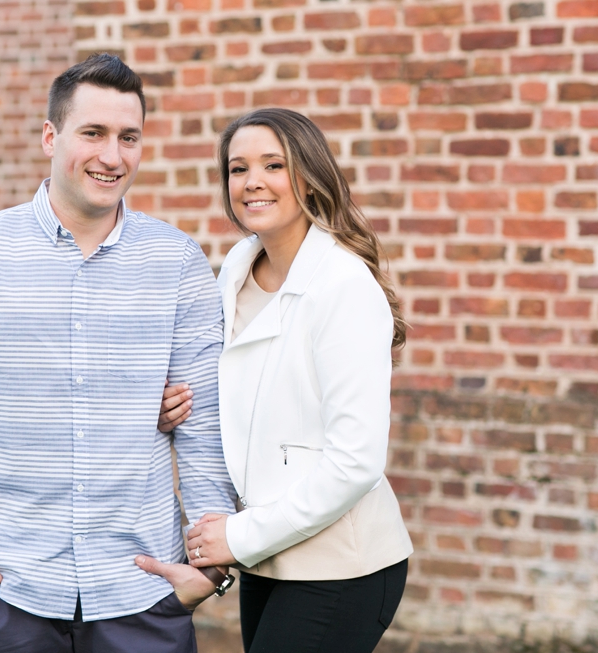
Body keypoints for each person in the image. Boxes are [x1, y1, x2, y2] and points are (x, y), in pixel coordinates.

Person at [0, 54, 238, 653]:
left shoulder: (178, 263)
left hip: (142, 591)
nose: (112, 156)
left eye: (128, 137)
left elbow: (205, 421)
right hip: (5, 592)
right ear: (49, 136)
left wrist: (208, 570)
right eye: (93, 133)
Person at [156, 108, 414, 653]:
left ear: (308, 176)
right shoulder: (236, 270)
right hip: (269, 559)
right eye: (237, 168)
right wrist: (177, 405)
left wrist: (238, 536)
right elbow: (244, 389)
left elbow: (357, 462)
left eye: (273, 165)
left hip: (340, 564)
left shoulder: (342, 284)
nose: (252, 182)